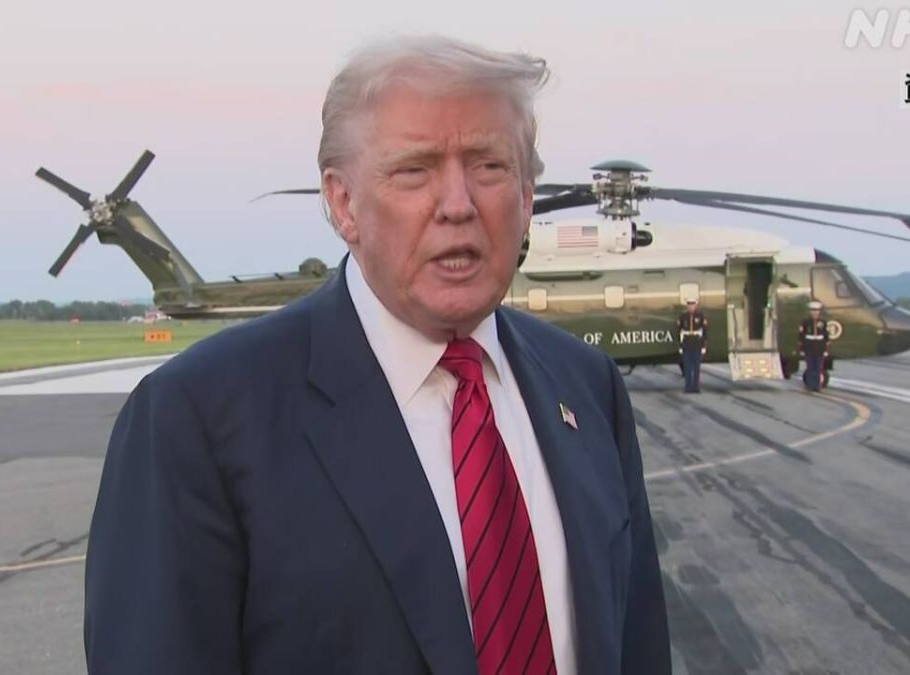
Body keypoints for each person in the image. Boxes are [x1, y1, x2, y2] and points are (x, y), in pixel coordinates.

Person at [84, 35, 670, 675]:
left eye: (489, 166)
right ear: (343, 204)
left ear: (527, 197)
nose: (458, 205)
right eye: (415, 170)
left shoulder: (586, 386)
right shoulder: (196, 417)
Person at [675, 297, 707, 393]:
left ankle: (696, 387)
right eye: (689, 305)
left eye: (692, 305)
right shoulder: (683, 317)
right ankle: (688, 387)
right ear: (687, 306)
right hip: (687, 343)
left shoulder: (700, 316)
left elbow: (704, 332)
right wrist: (680, 346)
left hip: (697, 343)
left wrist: (703, 346)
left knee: (696, 367)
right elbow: (679, 332)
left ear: (695, 305)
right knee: (688, 367)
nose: (691, 307)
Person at [799, 300, 830, 391]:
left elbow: (826, 337)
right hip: (809, 346)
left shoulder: (823, 322)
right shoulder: (805, 322)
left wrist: (826, 350)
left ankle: (817, 385)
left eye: (816, 311)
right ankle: (810, 384)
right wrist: (802, 349)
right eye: (813, 311)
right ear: (810, 312)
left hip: (819, 347)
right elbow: (801, 336)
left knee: (818, 367)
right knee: (810, 367)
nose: (815, 313)